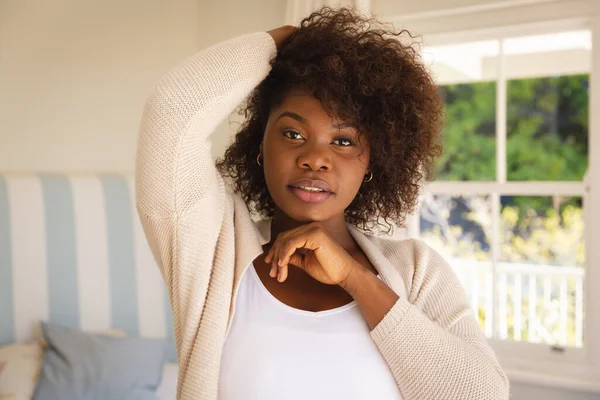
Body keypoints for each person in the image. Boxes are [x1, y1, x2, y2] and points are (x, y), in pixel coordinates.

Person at [136, 7, 509, 400]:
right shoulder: (213, 254)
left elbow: (482, 394)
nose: (315, 158)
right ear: (260, 144)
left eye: (344, 141)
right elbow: (171, 111)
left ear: (371, 162)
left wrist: (355, 278)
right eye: (293, 133)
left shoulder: (417, 271)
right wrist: (288, 43)